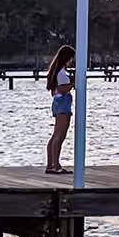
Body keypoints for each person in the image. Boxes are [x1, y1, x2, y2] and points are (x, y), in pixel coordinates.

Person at [44, 45, 75, 174]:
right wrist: (73, 84)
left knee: (56, 134)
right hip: (63, 103)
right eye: (71, 59)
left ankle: (51, 163)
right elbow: (62, 88)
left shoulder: (57, 72)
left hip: (59, 103)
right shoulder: (61, 73)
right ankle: (55, 164)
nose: (71, 62)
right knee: (60, 135)